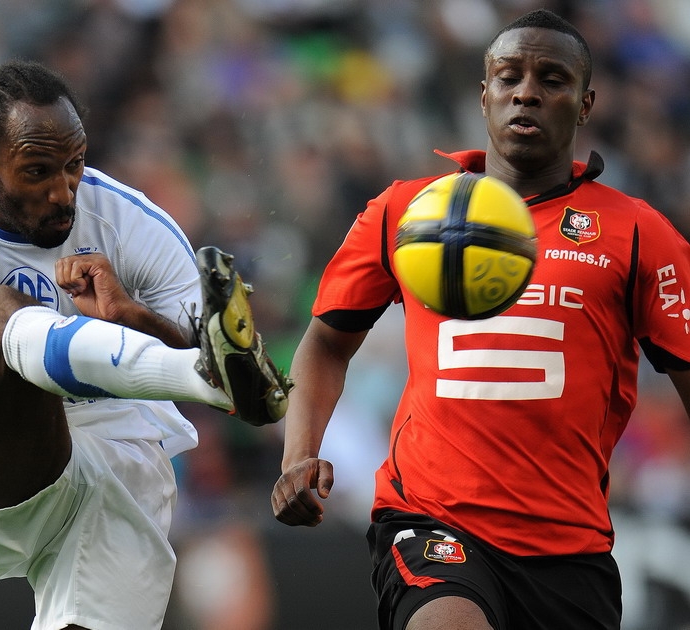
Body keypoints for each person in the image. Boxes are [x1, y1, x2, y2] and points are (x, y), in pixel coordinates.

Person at [271, 9, 690, 630]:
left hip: (569, 547)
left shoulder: (637, 233)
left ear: (585, 105)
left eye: (552, 79)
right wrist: (298, 456)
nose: (527, 92)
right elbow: (328, 343)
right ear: (484, 93)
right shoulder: (408, 212)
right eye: (509, 76)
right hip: (431, 519)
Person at [0, 59, 291, 630]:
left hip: (116, 475)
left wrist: (129, 316)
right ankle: (192, 377)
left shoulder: (129, 221)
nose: (63, 192)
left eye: (74, 164)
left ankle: (194, 375)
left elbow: (247, 375)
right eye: (37, 171)